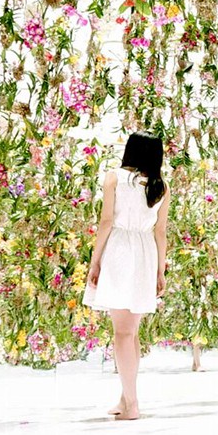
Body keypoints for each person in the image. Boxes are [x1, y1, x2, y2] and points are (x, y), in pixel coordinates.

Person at [83, 132, 170, 420]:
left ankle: (132, 404)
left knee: (123, 333)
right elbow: (161, 232)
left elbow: (106, 222)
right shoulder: (160, 186)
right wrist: (160, 269)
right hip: (145, 253)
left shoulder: (114, 178)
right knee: (130, 332)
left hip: (120, 250)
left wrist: (95, 262)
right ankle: (125, 397)